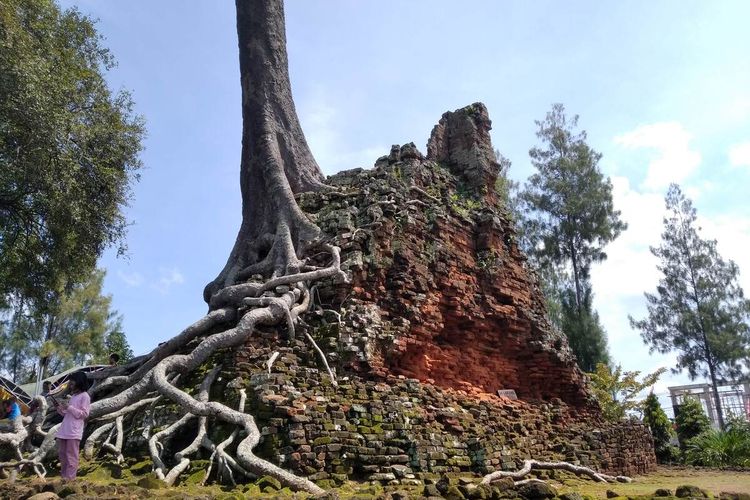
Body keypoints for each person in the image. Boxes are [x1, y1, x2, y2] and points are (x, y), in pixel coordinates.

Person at [55, 371, 90, 480]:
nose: (70, 384)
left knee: (71, 457)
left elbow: (84, 414)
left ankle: (70, 480)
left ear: (79, 381)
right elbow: (67, 414)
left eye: (72, 381)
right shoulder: (74, 396)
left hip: (73, 432)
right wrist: (59, 408)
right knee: (62, 456)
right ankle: (64, 478)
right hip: (65, 430)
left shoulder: (85, 396)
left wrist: (69, 407)